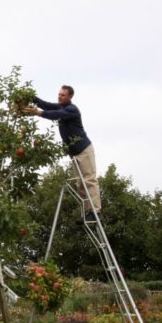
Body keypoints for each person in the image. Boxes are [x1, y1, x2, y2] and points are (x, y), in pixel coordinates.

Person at [24, 85, 101, 221]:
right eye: (59, 94)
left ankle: (95, 212)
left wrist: (37, 112)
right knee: (80, 184)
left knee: (89, 180)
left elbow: (56, 115)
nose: (59, 97)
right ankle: (88, 212)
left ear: (70, 97)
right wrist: (31, 97)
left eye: (63, 95)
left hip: (84, 150)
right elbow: (46, 105)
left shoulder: (71, 110)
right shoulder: (61, 107)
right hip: (74, 153)